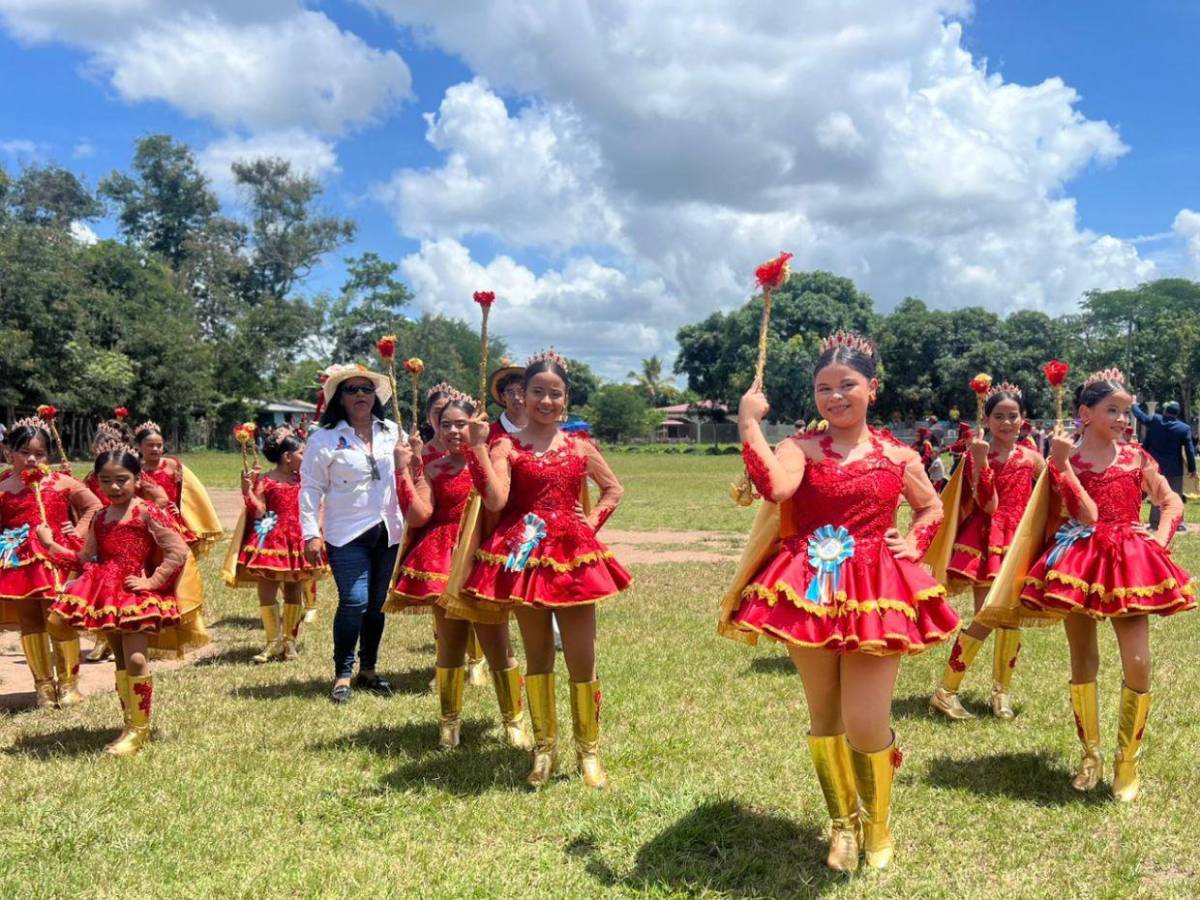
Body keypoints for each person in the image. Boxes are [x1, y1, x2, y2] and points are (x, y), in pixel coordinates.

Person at [718, 331, 959, 872]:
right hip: (809, 589)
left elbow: (931, 508)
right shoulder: (798, 448)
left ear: (872, 388)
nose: (835, 397)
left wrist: (914, 541)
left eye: (847, 385)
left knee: (866, 720)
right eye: (823, 388)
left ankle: (878, 824)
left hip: (878, 592)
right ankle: (843, 825)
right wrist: (749, 425)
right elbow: (777, 490)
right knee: (824, 713)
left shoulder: (900, 456)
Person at [1020, 369, 1194, 801]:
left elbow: (1171, 500)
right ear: (1085, 413)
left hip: (1129, 563)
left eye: (1126, 411)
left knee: (1138, 660)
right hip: (1079, 564)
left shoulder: (1136, 457)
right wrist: (1061, 464)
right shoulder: (1064, 461)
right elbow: (1086, 515)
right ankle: (1091, 755)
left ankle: (1127, 759)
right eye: (1112, 410)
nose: (1122, 419)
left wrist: (1159, 541)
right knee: (1083, 659)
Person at [463, 351, 631, 789]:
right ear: (523, 394)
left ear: (565, 398)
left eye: (555, 393)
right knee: (537, 657)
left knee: (581, 657)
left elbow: (613, 489)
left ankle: (588, 752)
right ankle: (544, 750)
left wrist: (589, 524)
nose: (546, 401)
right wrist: (478, 447)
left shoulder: (580, 446)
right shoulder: (506, 447)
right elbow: (496, 500)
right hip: (524, 557)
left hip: (573, 557)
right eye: (537, 391)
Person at [387, 391, 531, 749]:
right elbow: (418, 515)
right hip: (444, 563)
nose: (452, 431)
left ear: (476, 425)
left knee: (497, 645)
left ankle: (513, 721)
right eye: (446, 424)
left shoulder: (496, 459)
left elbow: (501, 504)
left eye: (460, 424)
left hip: (483, 561)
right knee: (449, 645)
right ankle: (449, 723)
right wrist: (403, 470)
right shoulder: (434, 469)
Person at [44, 445, 189, 755]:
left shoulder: (146, 511)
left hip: (134, 595)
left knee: (136, 659)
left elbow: (178, 550)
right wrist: (52, 546)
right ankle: (129, 723)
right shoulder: (99, 516)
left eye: (122, 479)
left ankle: (140, 729)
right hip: (105, 596)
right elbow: (85, 558)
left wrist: (152, 581)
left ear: (137, 479)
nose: (114, 487)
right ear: (97, 481)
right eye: (106, 480)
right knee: (122, 660)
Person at [932, 384, 1043, 721]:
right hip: (985, 541)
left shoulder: (1032, 458)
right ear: (987, 420)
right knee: (987, 616)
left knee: (1011, 619)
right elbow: (987, 504)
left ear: (1023, 419)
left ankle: (1001, 694)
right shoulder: (975, 456)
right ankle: (946, 690)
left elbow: (1050, 498)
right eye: (999, 416)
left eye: (1013, 416)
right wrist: (981, 462)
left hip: (1019, 543)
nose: (1007, 422)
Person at [300, 364, 406, 704]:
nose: (361, 394)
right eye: (352, 389)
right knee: (354, 600)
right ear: (339, 398)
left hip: (388, 529)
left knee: (376, 603)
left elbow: (409, 474)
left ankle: (368, 669)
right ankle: (343, 673)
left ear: (375, 396)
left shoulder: (393, 432)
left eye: (367, 389)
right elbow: (310, 488)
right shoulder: (324, 438)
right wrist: (310, 533)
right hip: (346, 532)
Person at [0, 418, 103, 708]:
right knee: (30, 619)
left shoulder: (60, 482)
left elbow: (94, 506)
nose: (32, 459)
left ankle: (69, 684)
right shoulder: (4, 487)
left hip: (55, 557)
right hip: (18, 562)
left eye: (40, 453)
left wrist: (78, 530)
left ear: (49, 455)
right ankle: (43, 687)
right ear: (9, 453)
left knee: (58, 616)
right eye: (24, 452)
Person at [223, 427, 328, 663]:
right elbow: (259, 512)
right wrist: (247, 490)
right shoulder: (267, 481)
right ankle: (272, 641)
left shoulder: (306, 480)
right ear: (287, 457)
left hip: (298, 539)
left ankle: (290, 641)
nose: (306, 457)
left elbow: (319, 505)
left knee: (294, 589)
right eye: (302, 453)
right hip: (272, 540)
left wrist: (319, 530)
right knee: (267, 588)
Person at [1131, 399, 1195, 531]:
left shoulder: (1155, 420)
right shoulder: (1184, 428)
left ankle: (1155, 523)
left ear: (1165, 411)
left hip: (1155, 467)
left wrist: (1134, 404)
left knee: (1156, 494)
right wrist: (1192, 469)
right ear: (1177, 413)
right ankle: (1177, 523)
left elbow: (1141, 416)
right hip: (1174, 468)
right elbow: (1189, 450)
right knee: (1175, 495)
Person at [486, 358, 528, 443]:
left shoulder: (540, 429)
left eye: (521, 391)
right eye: (510, 392)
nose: (516, 397)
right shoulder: (490, 433)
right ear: (503, 397)